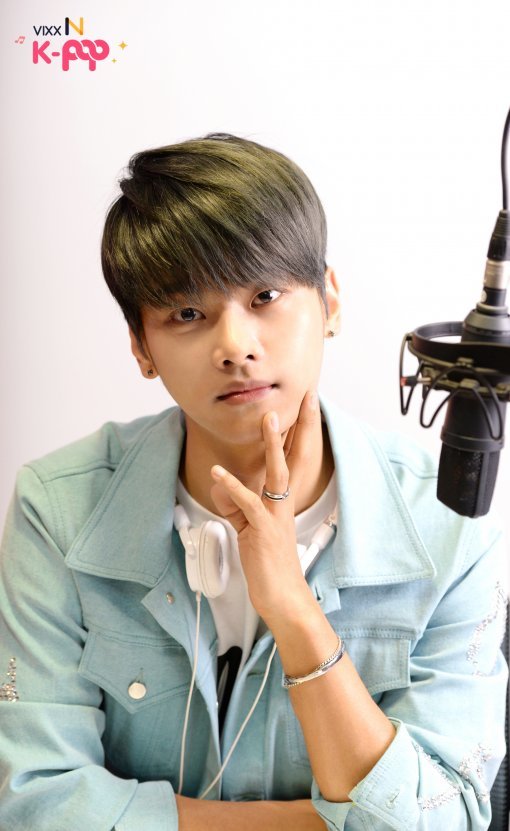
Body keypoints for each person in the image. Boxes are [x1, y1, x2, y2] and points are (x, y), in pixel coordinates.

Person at [0, 133, 507, 831]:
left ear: (330, 301)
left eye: (266, 295)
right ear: (141, 346)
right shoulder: (57, 509)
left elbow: (446, 818)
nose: (235, 346)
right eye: (187, 314)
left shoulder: (449, 523)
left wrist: (294, 611)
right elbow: (34, 804)